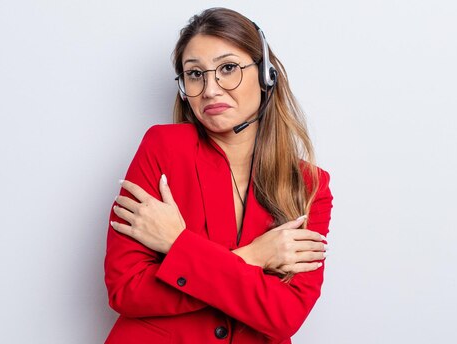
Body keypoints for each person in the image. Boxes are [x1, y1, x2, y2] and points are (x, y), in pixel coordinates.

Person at [104, 7, 333, 344]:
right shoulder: (162, 148)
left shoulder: (310, 184)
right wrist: (253, 257)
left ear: (266, 74)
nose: (210, 89)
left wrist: (177, 247)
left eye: (228, 68)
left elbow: (284, 315)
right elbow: (126, 290)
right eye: (195, 74)